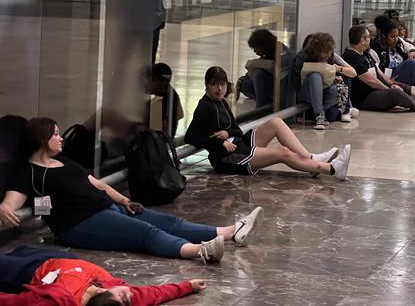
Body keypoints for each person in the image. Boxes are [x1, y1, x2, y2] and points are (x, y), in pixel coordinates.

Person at [0, 118, 263, 263]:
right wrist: (3, 208)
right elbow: (11, 203)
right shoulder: (29, 172)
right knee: (146, 233)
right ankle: (201, 251)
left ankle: (231, 232)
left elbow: (97, 184)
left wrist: (125, 200)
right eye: (55, 134)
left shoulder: (63, 161)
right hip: (81, 223)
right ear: (41, 140)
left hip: (105, 207)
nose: (60, 138)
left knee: (167, 221)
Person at [186, 67, 351, 179]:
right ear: (207, 85)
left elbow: (236, 130)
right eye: (215, 85)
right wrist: (219, 141)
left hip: (238, 144)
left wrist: (228, 134)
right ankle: (332, 169)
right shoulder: (204, 107)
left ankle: (312, 157)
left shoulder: (221, 102)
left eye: (222, 84)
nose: (220, 89)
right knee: (282, 152)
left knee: (276, 122)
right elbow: (190, 137)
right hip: (227, 158)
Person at [0, 246, 207, 305]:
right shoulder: (122, 297)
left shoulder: (61, 298)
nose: (129, 293)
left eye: (123, 298)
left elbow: (14, 302)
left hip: (32, 270)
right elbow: (154, 293)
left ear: (101, 291)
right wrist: (188, 286)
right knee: (19, 249)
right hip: (61, 258)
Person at [296, 32, 358, 129]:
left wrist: (338, 70)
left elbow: (353, 73)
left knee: (343, 82)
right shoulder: (301, 58)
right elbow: (294, 84)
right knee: (315, 76)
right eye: (325, 52)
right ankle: (319, 115)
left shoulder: (332, 55)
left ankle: (344, 110)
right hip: (308, 93)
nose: (328, 54)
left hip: (326, 92)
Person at [372, 16, 415, 95]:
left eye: (397, 36)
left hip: (403, 72)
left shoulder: (398, 42)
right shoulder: (376, 48)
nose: (396, 39)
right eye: (392, 36)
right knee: (411, 63)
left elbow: (410, 46)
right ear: (383, 35)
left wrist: (412, 51)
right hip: (391, 78)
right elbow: (375, 71)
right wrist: (388, 81)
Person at [235, 29, 293, 108]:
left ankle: (260, 107)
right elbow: (249, 76)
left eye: (256, 47)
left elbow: (281, 75)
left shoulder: (282, 53)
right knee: (244, 84)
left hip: (281, 91)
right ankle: (264, 101)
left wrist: (256, 64)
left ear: (264, 45)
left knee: (259, 74)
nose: (255, 51)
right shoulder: (268, 53)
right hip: (270, 89)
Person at [142, 63, 183, 139]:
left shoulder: (161, 102)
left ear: (162, 83)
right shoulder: (172, 96)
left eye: (149, 81)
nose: (146, 85)